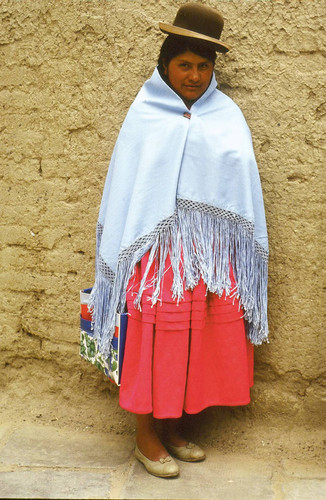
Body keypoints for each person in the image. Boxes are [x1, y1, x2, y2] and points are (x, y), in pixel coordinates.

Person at [89, 2, 268, 478]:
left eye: (203, 66)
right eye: (184, 65)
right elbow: (130, 188)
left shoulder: (225, 115)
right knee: (153, 340)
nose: (193, 75)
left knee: (195, 341)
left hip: (206, 258)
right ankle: (145, 434)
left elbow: (241, 188)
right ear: (165, 64)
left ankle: (173, 426)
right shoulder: (145, 113)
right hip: (153, 257)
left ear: (213, 70)